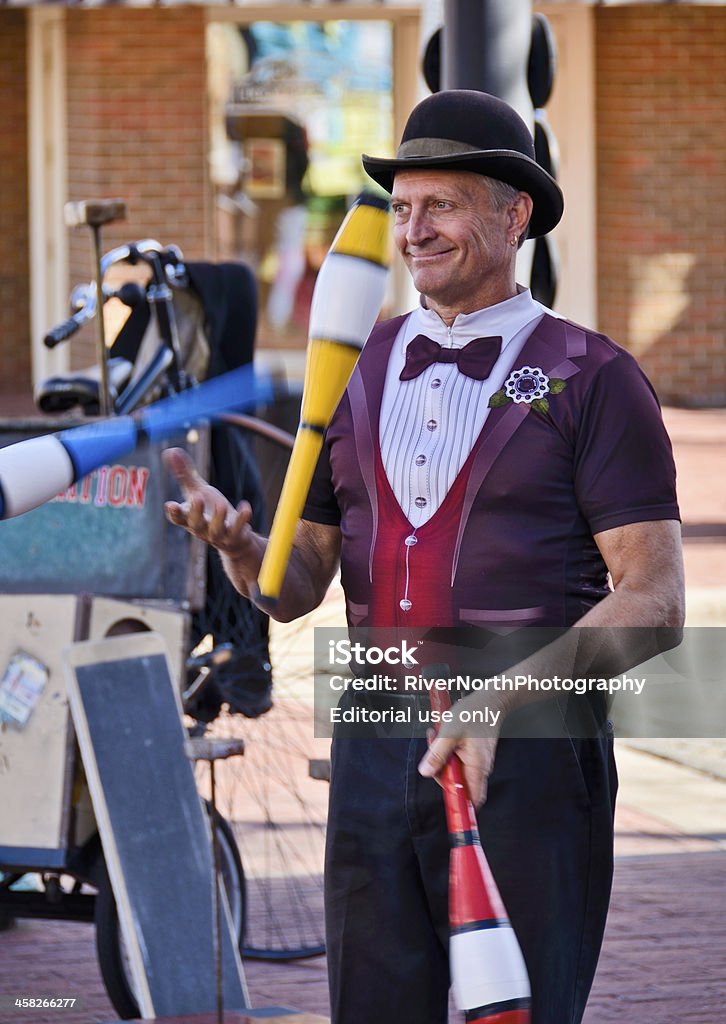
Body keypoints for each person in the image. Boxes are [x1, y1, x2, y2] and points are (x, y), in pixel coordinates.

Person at [164, 90, 684, 1024]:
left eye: (439, 204)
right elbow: (295, 587)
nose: (414, 230)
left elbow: (654, 602)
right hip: (375, 744)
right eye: (402, 209)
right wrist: (241, 544)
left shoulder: (592, 376)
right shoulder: (356, 368)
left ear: (513, 214)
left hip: (530, 754)